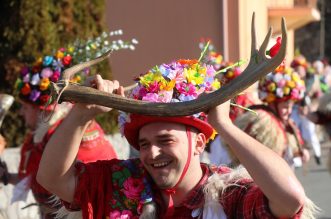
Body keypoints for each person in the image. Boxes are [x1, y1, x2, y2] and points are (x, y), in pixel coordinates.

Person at [36, 57, 318, 219]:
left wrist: (224, 125)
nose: (152, 153)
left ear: (199, 143)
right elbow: (51, 178)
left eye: (165, 140)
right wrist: (81, 115)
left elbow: (291, 199)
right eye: (144, 144)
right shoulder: (121, 181)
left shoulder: (228, 195)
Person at [0, 47, 118, 219]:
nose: (21, 113)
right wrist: (7, 177)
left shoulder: (73, 135)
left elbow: (68, 185)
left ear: (43, 109)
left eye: (25, 108)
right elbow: (41, 178)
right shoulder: (42, 136)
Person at [234, 64, 311, 169]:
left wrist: (299, 153)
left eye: (291, 107)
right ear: (272, 103)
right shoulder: (261, 120)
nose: (289, 111)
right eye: (285, 107)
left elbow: (290, 150)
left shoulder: (286, 122)